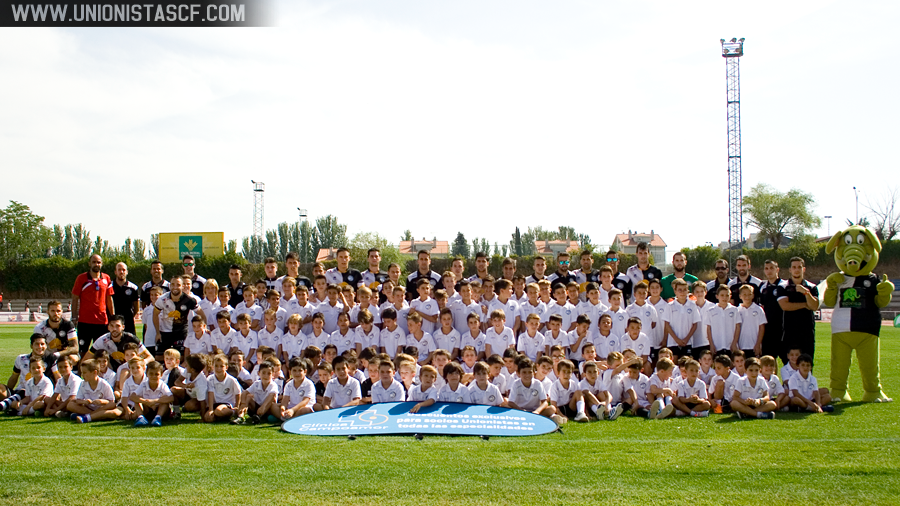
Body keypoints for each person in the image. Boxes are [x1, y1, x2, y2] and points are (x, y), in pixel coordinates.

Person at [71, 254, 115, 357]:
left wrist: (112, 317)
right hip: (84, 321)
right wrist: (74, 316)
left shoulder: (106, 278)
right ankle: (81, 371)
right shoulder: (81, 278)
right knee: (82, 349)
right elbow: (75, 298)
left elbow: (109, 299)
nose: (96, 264)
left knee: (101, 351)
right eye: (94, 262)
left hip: (101, 321)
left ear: (102, 264)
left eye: (99, 262)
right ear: (89, 263)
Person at [778, 257, 820, 362]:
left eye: (799, 267)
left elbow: (814, 306)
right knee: (790, 366)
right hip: (789, 332)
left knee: (807, 364)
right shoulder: (783, 287)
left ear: (804, 269)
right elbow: (785, 306)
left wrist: (806, 293)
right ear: (790, 269)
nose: (797, 269)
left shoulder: (812, 287)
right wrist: (805, 305)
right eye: (794, 267)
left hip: (807, 333)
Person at [154, 276, 204, 357]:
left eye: (178, 285)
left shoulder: (189, 300)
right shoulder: (162, 299)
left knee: (181, 357)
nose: (175, 287)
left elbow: (202, 314)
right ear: (169, 286)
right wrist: (157, 332)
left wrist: (203, 328)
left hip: (181, 333)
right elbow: (155, 314)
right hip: (165, 332)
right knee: (160, 357)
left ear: (182, 286)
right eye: (173, 284)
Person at [83, 315, 153, 369]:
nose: (114, 329)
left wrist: (140, 363)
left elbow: (150, 357)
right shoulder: (102, 340)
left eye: (117, 326)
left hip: (130, 370)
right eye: (112, 326)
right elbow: (85, 359)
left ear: (123, 327)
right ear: (108, 327)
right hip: (111, 372)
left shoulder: (131, 339)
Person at [67, 359, 119, 423]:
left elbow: (112, 402)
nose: (82, 375)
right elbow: (78, 400)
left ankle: (87, 416)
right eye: (82, 372)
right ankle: (94, 415)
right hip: (88, 408)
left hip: (101, 408)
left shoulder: (104, 384)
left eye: (84, 372)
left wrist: (102, 401)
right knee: (70, 404)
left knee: (112, 408)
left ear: (95, 372)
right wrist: (85, 401)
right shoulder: (83, 384)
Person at [662, 279, 700, 360]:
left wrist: (686, 339)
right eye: (679, 290)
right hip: (673, 342)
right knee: (673, 364)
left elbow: (695, 324)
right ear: (675, 291)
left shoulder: (692, 305)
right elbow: (667, 325)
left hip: (688, 342)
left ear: (688, 291)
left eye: (684, 290)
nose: (682, 292)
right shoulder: (669, 306)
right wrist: (676, 339)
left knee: (686, 364)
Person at [758, 260, 785, 361]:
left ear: (777, 269)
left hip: (783, 330)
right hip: (768, 331)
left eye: (771, 268)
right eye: (766, 268)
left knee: (788, 361)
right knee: (768, 361)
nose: (769, 271)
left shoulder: (784, 285)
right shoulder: (762, 287)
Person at [204, 354, 242, 422]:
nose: (219, 369)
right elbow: (210, 394)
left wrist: (236, 407)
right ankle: (220, 417)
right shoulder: (210, 379)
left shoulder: (232, 380)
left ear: (226, 367)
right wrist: (210, 410)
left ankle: (232, 412)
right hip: (215, 404)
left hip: (227, 404)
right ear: (213, 367)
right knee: (208, 418)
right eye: (216, 366)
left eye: (221, 366)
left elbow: (238, 393)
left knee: (219, 411)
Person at [735, 285, 766, 358]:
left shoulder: (758, 309)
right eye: (744, 294)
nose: (747, 297)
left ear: (753, 295)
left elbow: (761, 327)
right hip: (741, 346)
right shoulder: (736, 310)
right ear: (740, 296)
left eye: (749, 294)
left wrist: (758, 344)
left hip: (754, 346)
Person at [110, 262, 140, 335]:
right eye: (119, 270)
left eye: (123, 270)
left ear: (127, 272)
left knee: (129, 343)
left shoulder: (133, 288)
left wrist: (130, 316)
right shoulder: (109, 286)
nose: (121, 272)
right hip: (113, 320)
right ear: (115, 272)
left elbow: (136, 306)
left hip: (128, 321)